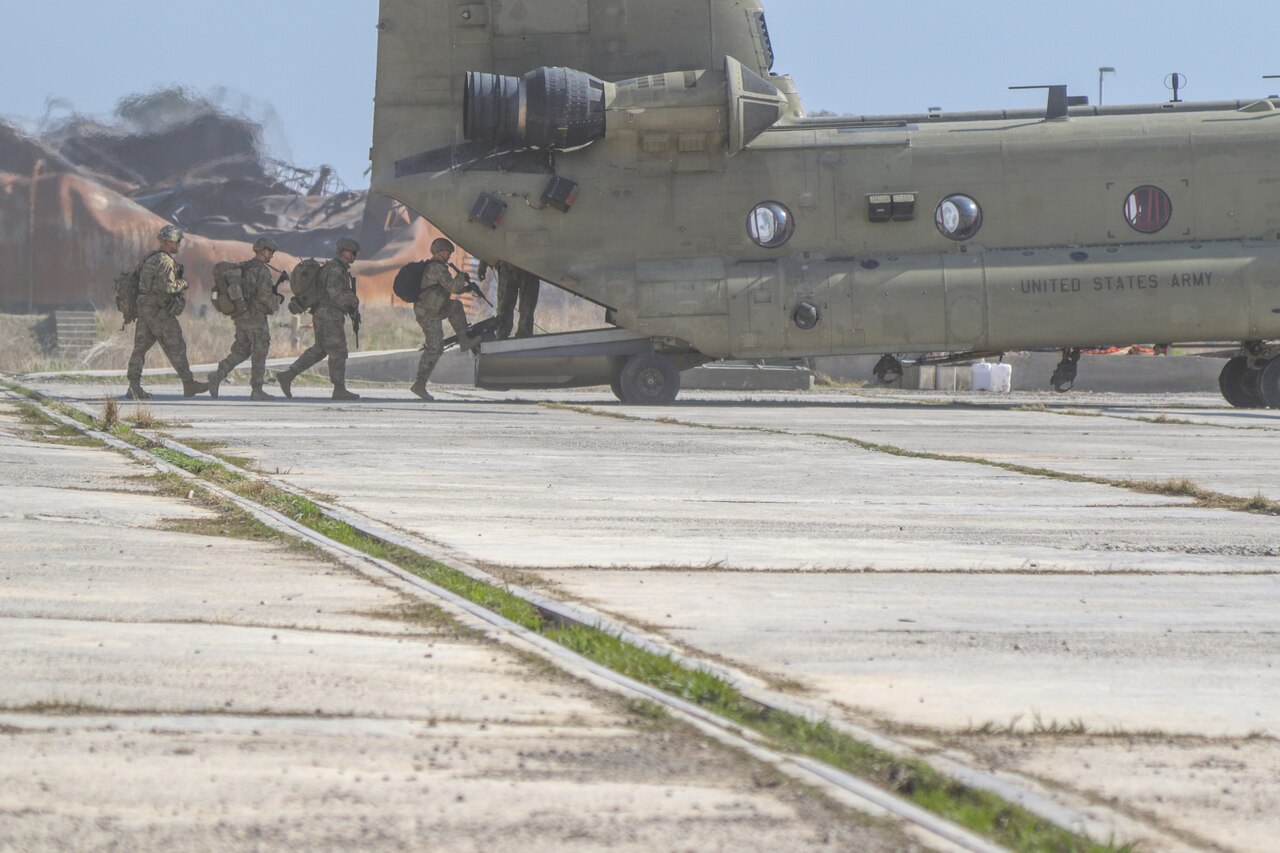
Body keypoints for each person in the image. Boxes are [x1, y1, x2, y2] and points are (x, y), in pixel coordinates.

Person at [124, 225, 209, 401]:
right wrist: (183, 283)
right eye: (177, 242)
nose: (179, 245)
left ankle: (133, 386)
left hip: (145, 310)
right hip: (159, 312)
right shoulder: (165, 261)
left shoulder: (149, 258)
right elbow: (166, 287)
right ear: (169, 241)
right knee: (177, 345)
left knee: (140, 348)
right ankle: (189, 383)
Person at [275, 238, 362, 401]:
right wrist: (352, 299)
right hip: (330, 314)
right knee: (338, 350)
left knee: (320, 349)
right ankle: (339, 389)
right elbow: (334, 292)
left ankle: (288, 375)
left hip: (322, 313)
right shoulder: (336, 269)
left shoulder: (335, 268)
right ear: (344, 251)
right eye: (353, 253)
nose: (354, 256)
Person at [208, 237, 283, 401]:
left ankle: (218, 375)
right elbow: (264, 297)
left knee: (242, 351)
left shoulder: (245, 266)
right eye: (270, 251)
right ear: (264, 250)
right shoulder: (261, 271)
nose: (271, 255)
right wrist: (277, 302)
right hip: (255, 318)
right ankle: (257, 390)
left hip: (241, 316)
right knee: (260, 351)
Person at [410, 238, 482, 401]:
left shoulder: (437, 267)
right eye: (444, 252)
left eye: (448, 252)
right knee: (436, 346)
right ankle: (419, 384)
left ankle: (464, 339)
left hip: (435, 308)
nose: (447, 255)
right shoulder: (437, 268)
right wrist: (461, 277)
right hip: (427, 312)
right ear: (436, 251)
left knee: (455, 306)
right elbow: (453, 287)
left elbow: (449, 288)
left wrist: (467, 288)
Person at [495, 260, 541, 340]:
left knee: (526, 308)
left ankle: (523, 337)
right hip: (508, 267)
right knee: (504, 308)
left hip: (528, 267)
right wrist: (483, 265)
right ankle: (502, 336)